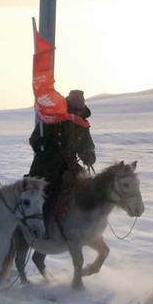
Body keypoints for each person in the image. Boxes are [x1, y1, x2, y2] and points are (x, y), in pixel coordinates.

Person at [28, 89, 95, 236]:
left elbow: (87, 145)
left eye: (79, 109)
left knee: (88, 189)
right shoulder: (52, 118)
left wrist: (89, 155)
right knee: (47, 196)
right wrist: (38, 142)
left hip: (69, 167)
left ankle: (85, 225)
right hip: (46, 166)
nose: (76, 112)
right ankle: (42, 230)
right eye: (73, 109)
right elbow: (34, 139)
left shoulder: (82, 124)